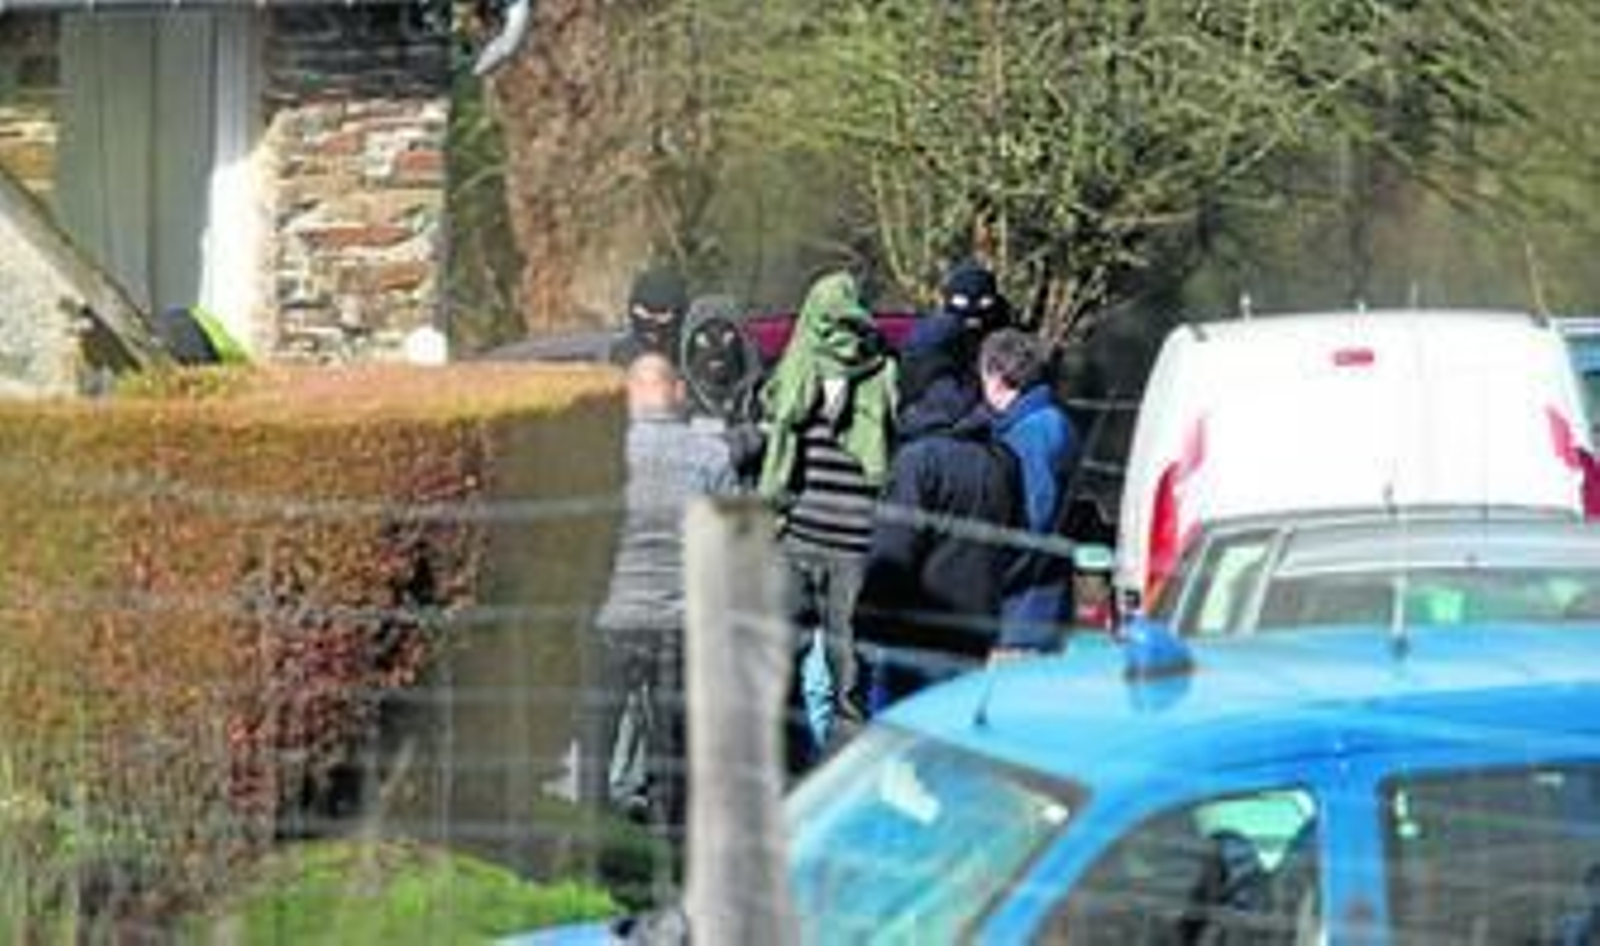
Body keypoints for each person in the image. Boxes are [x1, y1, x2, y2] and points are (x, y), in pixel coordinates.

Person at [582, 353, 736, 838]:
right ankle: (672, 841)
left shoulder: (603, 453)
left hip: (613, 617)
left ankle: (590, 832)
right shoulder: (711, 455)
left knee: (597, 738)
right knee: (674, 745)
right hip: (681, 623)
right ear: (678, 393)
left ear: (629, 393)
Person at [757, 270, 897, 762]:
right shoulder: (799, 365)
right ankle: (789, 769)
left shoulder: (880, 369)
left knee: (846, 674)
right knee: (788, 666)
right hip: (806, 539)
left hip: (846, 545)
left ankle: (840, 778)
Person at [854, 315, 1022, 708]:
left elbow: (893, 554)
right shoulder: (1001, 457)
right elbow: (1015, 550)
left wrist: (865, 623)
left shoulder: (918, 459)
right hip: (975, 642)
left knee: (899, 760)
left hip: (912, 644)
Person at [980, 328, 1080, 657]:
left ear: (996, 376)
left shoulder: (1033, 432)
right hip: (1040, 603)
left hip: (1026, 613)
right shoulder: (1047, 420)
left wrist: (996, 575)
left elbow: (1036, 520)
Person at [610, 267, 691, 367]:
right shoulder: (624, 351)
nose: (653, 321)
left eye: (662, 313)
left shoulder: (690, 354)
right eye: (645, 312)